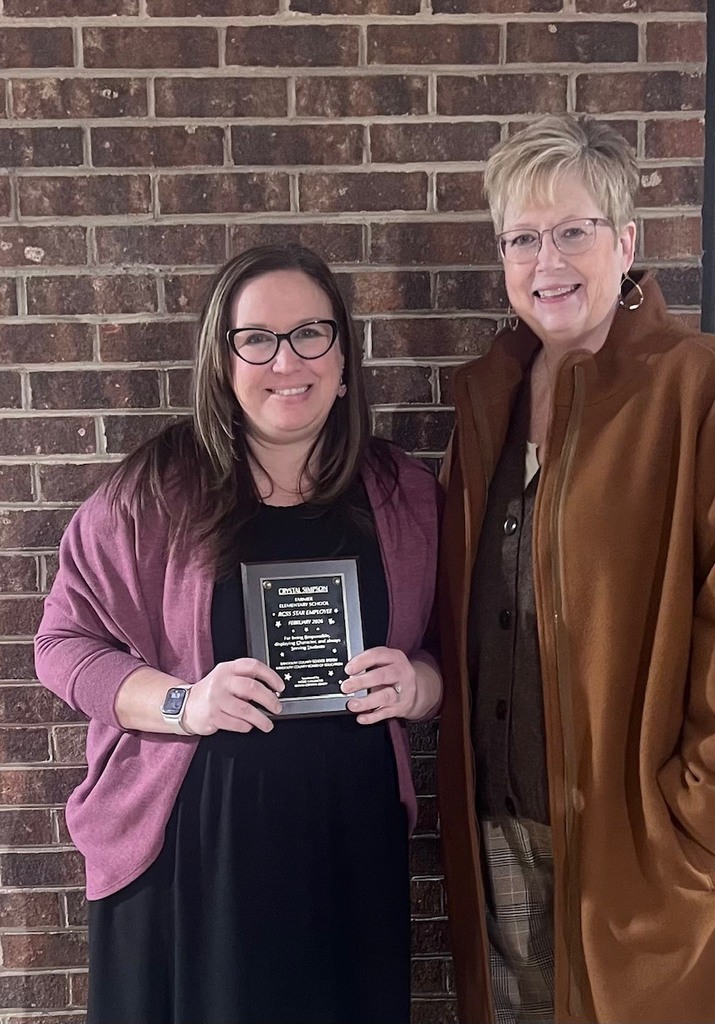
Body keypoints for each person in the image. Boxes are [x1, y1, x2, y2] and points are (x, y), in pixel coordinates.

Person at [435, 114, 715, 1024]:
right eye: (522, 239)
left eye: (573, 231)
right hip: (509, 847)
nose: (547, 261)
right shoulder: (489, 402)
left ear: (625, 242)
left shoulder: (709, 389)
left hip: (655, 862)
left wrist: (697, 826)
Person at [34, 243, 442, 1024]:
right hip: (193, 861)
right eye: (256, 339)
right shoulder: (154, 495)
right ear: (222, 363)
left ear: (344, 358)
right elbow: (62, 645)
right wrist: (184, 702)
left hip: (350, 852)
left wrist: (420, 686)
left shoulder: (407, 495)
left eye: (310, 333)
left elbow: (461, 650)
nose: (286, 361)